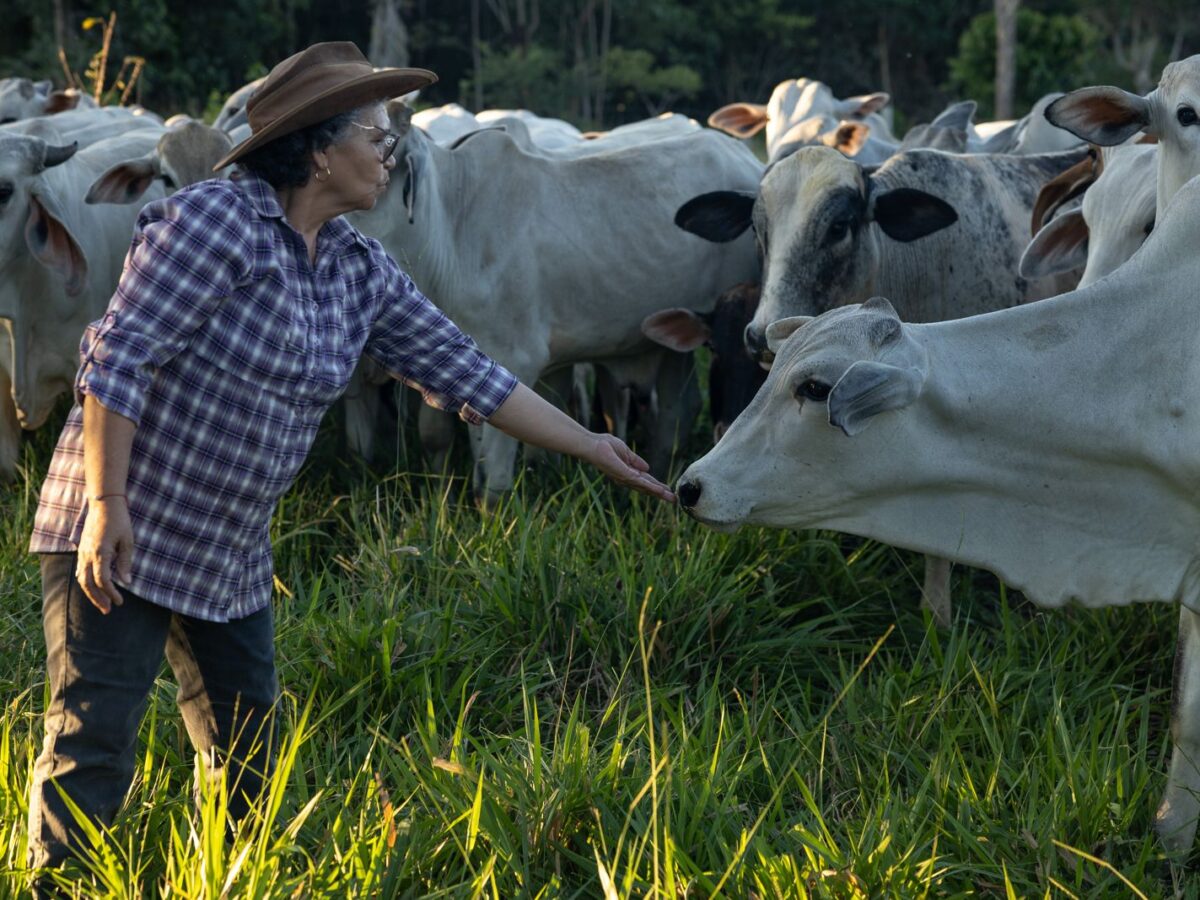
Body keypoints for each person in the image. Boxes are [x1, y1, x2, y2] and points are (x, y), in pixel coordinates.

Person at [25, 41, 674, 887]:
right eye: (375, 133)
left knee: (247, 750)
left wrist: (591, 445)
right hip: (123, 519)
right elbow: (118, 359)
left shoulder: (360, 268)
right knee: (93, 739)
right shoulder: (215, 222)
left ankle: (229, 879)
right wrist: (107, 503)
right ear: (320, 149)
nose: (390, 149)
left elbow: (470, 373)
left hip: (226, 546)